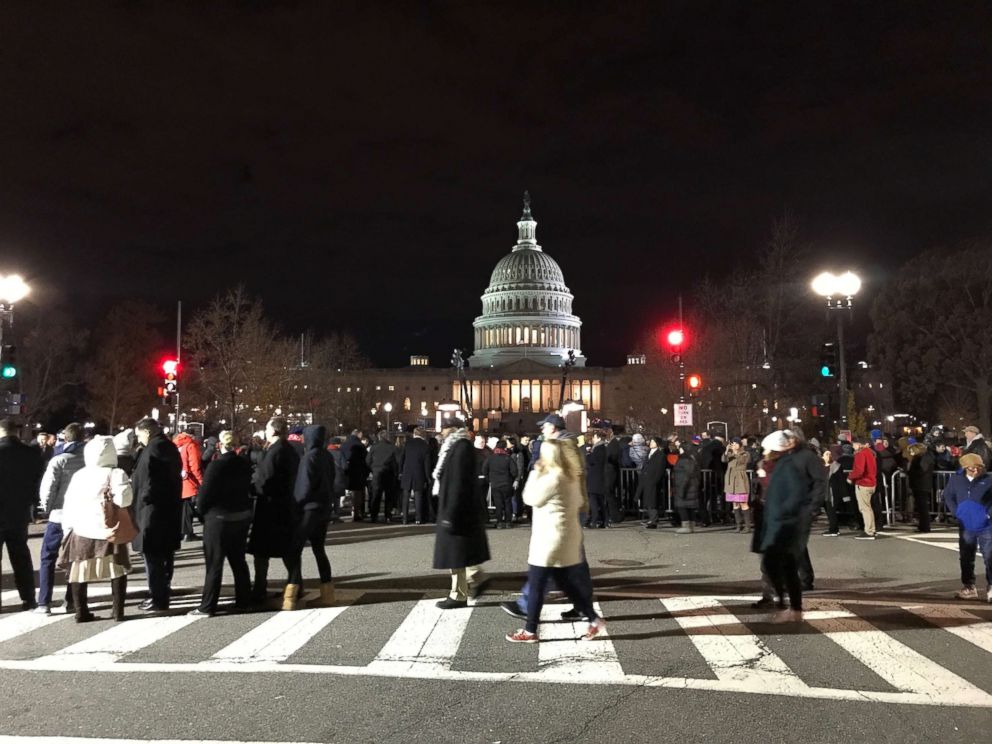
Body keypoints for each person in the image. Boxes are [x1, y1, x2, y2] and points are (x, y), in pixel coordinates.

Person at [505, 439, 604, 643]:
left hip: (548, 538)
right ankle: (592, 619)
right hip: (567, 536)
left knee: (537, 582)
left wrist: (534, 473)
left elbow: (530, 498)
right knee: (565, 583)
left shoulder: (550, 477)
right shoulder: (569, 477)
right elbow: (577, 502)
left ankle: (530, 630)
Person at [59, 435, 133, 622]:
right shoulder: (116, 473)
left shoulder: (80, 474)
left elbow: (69, 503)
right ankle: (118, 611)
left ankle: (80, 611)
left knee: (80, 571)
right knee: (117, 570)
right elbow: (124, 500)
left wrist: (67, 528)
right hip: (109, 529)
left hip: (81, 529)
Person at [190, 431, 253, 616]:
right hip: (240, 517)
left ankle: (208, 605)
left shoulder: (216, 466)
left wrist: (201, 513)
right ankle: (244, 600)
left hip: (218, 518)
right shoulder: (244, 464)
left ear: (220, 445)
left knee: (214, 564)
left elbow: (205, 496)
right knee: (239, 561)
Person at [433, 426, 490, 609]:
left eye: (444, 428)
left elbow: (457, 481)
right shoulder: (457, 446)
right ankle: (470, 582)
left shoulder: (460, 447)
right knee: (458, 553)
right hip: (458, 509)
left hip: (458, 510)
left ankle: (461, 591)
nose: (441, 433)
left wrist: (450, 511)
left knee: (456, 554)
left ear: (452, 429)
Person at [131, 418, 183, 612]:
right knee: (164, 554)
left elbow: (153, 480)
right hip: (165, 509)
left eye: (139, 434)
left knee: (152, 554)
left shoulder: (155, 448)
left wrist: (144, 498)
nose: (138, 438)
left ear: (147, 432)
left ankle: (157, 596)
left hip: (153, 510)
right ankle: (162, 592)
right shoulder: (165, 446)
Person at [757, 431, 808, 622]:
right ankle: (791, 607)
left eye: (767, 449)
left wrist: (764, 477)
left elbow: (793, 494)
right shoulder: (778, 466)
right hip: (778, 521)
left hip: (784, 523)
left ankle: (789, 606)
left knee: (779, 564)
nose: (764, 452)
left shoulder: (787, 467)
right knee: (782, 565)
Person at [35, 422, 86, 614]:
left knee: (48, 557)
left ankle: (44, 602)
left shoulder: (59, 460)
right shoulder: (88, 460)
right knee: (74, 558)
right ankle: (71, 600)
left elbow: (48, 489)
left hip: (59, 514)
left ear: (66, 437)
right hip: (80, 515)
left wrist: (47, 509)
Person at [283, 424, 336, 611]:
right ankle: (327, 592)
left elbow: (303, 488)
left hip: (308, 510)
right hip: (323, 509)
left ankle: (291, 594)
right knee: (319, 550)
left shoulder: (309, 458)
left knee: (293, 550)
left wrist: (295, 506)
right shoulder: (327, 456)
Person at [247, 416, 299, 602]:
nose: (266, 432)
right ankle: (294, 584)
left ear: (274, 431)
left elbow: (265, 479)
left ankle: (260, 588)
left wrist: (253, 487)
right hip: (283, 505)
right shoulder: (288, 450)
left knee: (262, 552)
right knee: (286, 551)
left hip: (271, 507)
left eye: (267, 429)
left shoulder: (276, 451)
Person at [0, 419, 44, 611]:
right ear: (16, 432)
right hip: (19, 512)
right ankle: (28, 597)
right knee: (21, 556)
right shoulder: (32, 454)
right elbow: (37, 482)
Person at [941, 453, 992, 601]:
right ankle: (969, 587)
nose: (975, 471)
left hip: (986, 525)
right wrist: (956, 512)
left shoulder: (988, 479)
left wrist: (988, 514)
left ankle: (991, 587)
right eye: (971, 468)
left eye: (978, 467)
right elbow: (948, 496)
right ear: (964, 468)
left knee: (989, 556)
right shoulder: (956, 480)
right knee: (966, 557)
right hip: (966, 524)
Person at [174, 430, 204, 543]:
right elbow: (195, 466)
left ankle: (182, 532)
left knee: (183, 508)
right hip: (189, 479)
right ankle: (188, 533)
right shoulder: (191, 445)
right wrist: (201, 481)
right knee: (188, 508)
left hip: (179, 478)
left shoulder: (176, 444)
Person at [399, 428, 433, 524]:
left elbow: (402, 458)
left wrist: (400, 471)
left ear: (414, 434)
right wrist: (427, 477)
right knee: (418, 496)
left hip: (407, 472)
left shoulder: (407, 444)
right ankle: (418, 518)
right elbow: (427, 464)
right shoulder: (425, 446)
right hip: (419, 473)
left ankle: (404, 518)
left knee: (406, 495)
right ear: (423, 435)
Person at [847, 435, 878, 540]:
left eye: (854, 444)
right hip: (871, 483)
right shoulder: (871, 453)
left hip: (863, 483)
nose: (853, 446)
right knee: (868, 508)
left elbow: (859, 470)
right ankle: (872, 529)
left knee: (864, 508)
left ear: (858, 444)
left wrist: (850, 477)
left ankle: (868, 531)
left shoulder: (860, 454)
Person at [483, 439, 518, 528]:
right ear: (504, 447)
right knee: (507, 503)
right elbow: (514, 471)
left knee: (498, 504)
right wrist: (511, 479)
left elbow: (484, 470)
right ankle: (508, 522)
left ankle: (499, 522)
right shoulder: (508, 458)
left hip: (495, 484)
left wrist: (489, 479)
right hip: (506, 483)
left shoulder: (490, 458)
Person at [366, 431, 399, 523]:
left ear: (379, 437)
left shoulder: (374, 447)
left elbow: (368, 461)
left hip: (377, 473)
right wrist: (396, 472)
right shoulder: (393, 448)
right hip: (389, 473)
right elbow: (398, 461)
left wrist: (373, 469)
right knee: (389, 496)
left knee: (376, 495)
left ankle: (374, 516)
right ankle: (388, 515)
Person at [638, 436, 668, 529]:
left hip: (653, 481)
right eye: (650, 441)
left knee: (652, 501)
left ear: (657, 444)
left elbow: (660, 469)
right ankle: (651, 518)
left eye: (653, 442)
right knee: (647, 500)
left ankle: (653, 520)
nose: (651, 443)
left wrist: (655, 480)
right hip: (646, 480)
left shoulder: (660, 454)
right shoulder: (649, 453)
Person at [722, 437, 752, 533]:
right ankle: (738, 525)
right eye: (732, 444)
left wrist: (735, 452)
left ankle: (747, 526)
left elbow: (743, 461)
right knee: (735, 503)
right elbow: (723, 460)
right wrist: (727, 450)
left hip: (740, 478)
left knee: (743, 502)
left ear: (740, 444)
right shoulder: (730, 454)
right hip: (731, 479)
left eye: (735, 443)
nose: (733, 445)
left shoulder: (745, 453)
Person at [906, 439, 934, 533]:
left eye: (912, 450)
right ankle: (923, 526)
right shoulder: (924, 457)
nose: (911, 453)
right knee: (921, 507)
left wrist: (909, 472)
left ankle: (925, 526)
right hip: (921, 484)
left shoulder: (921, 458)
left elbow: (920, 471)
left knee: (922, 507)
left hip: (921, 485)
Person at [672, 442, 701, 534]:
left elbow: (686, 476)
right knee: (690, 507)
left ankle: (686, 526)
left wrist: (681, 489)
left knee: (682, 506)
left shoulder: (684, 460)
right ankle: (691, 525)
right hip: (692, 486)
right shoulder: (692, 459)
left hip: (685, 486)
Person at [342, 429, 370, 521]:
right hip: (359, 472)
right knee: (358, 493)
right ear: (359, 434)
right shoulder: (360, 446)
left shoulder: (344, 444)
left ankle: (350, 510)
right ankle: (357, 513)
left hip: (347, 472)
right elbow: (367, 460)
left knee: (348, 492)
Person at [585, 429, 608, 528]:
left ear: (598, 437)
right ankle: (603, 521)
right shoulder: (602, 448)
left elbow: (592, 461)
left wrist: (588, 455)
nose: (592, 439)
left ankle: (594, 521)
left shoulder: (599, 448)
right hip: (599, 478)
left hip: (595, 478)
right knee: (599, 501)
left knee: (593, 500)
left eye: (594, 437)